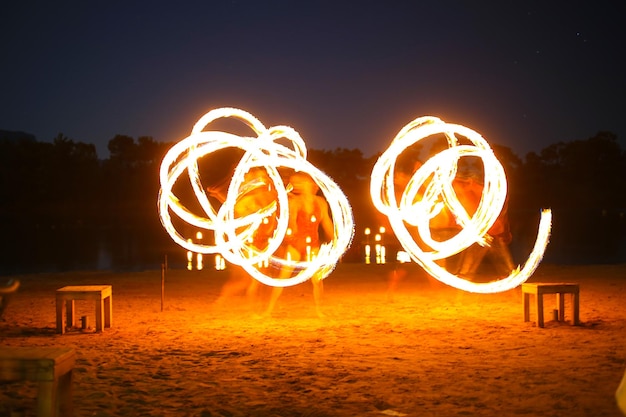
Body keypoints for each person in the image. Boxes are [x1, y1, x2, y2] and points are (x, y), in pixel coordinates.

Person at [263, 171, 334, 318]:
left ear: (309, 184)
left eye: (300, 183)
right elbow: (292, 224)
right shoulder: (295, 203)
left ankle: (319, 311)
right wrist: (292, 234)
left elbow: (327, 223)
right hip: (296, 244)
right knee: (283, 278)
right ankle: (268, 310)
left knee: (317, 279)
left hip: (313, 243)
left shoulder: (321, 203)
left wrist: (337, 241)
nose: (297, 186)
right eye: (297, 184)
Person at [211, 167, 279, 309]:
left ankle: (229, 301)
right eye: (261, 177)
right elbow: (236, 209)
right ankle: (226, 301)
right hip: (249, 243)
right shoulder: (248, 200)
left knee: (259, 276)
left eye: (265, 176)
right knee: (248, 280)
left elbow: (277, 204)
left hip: (263, 241)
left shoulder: (266, 196)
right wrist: (219, 195)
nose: (264, 179)